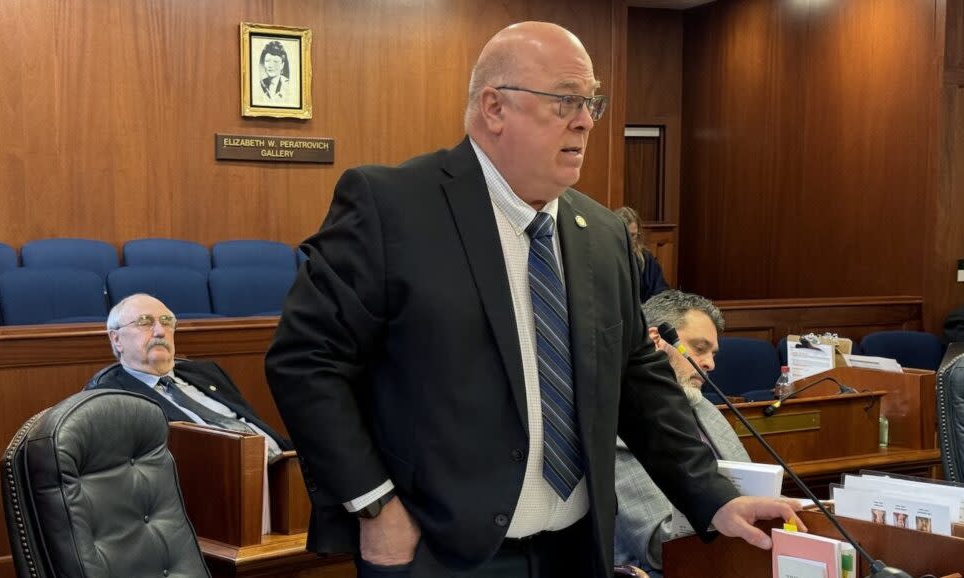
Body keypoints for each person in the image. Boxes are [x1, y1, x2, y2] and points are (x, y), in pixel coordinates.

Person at [266, 21, 800, 578]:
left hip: (575, 550)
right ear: (494, 107)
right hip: (436, 552)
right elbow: (305, 361)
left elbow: (637, 381)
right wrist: (373, 504)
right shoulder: (392, 206)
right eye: (565, 100)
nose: (586, 120)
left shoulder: (602, 232)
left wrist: (713, 498)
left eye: (591, 101)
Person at [614, 290, 751, 577]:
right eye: (699, 348)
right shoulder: (620, 429)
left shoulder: (707, 409)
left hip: (729, 559)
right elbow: (657, 546)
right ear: (654, 340)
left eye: (712, 353)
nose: (710, 364)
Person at [86, 293, 289, 462]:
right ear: (116, 339)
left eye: (167, 322)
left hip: (285, 465)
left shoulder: (207, 372)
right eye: (145, 322)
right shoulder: (109, 397)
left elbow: (252, 422)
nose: (160, 332)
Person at [615, 206, 668, 302]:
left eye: (633, 235)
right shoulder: (605, 257)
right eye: (626, 235)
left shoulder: (645, 258)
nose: (630, 241)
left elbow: (661, 292)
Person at [256, 40, 293, 104]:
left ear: (282, 65)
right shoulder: (261, 84)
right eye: (267, 61)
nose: (270, 66)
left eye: (275, 61)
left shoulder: (288, 85)